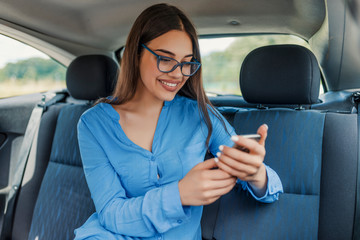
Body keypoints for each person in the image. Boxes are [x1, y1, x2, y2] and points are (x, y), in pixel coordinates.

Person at [74, 3, 283, 240]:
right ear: (135, 54)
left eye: (187, 63)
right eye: (165, 59)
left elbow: (267, 186)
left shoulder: (201, 114)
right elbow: (111, 214)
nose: (177, 73)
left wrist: (255, 173)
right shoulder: (93, 124)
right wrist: (180, 195)